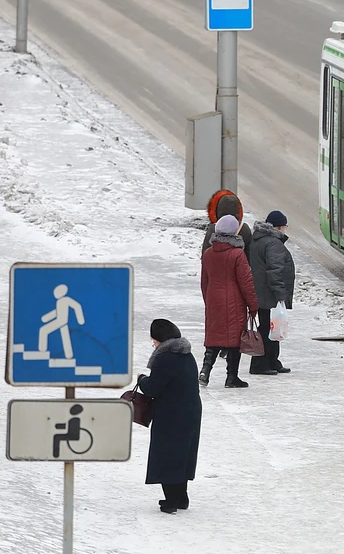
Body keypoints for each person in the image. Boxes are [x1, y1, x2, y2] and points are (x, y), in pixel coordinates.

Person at [137, 319, 202, 515]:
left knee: (167, 454)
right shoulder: (187, 354)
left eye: (153, 340)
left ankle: (171, 500)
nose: (153, 344)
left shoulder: (164, 358)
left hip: (171, 413)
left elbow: (152, 388)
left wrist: (142, 380)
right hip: (190, 410)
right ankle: (181, 497)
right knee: (183, 454)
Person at [199, 215, 258, 388]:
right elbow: (246, 282)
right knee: (234, 340)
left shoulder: (208, 253)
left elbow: (204, 281)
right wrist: (253, 306)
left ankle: (205, 371)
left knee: (213, 337)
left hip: (213, 300)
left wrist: (208, 300)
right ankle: (232, 377)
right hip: (234, 302)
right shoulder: (237, 254)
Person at [249, 210, 296, 375]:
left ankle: (272, 361)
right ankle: (260, 364)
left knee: (270, 327)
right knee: (268, 329)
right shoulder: (273, 243)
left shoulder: (258, 240)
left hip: (260, 292)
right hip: (269, 294)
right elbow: (275, 271)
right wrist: (280, 294)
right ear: (280, 226)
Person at [202, 189, 252, 262]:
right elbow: (250, 255)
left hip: (216, 270)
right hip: (237, 270)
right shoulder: (244, 228)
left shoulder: (213, 228)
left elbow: (205, 255)